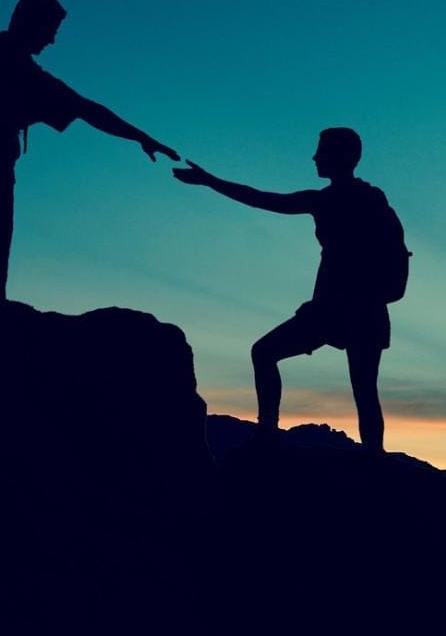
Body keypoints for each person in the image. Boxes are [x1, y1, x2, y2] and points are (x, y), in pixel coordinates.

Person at [0, 0, 180, 301]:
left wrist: (141, 137)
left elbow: (88, 110)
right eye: (50, 30)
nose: (52, 41)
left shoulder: (29, 77)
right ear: (28, 22)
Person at [174, 127, 407, 453]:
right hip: (363, 309)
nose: (314, 157)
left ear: (341, 156)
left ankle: (268, 431)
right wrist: (210, 181)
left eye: (322, 150)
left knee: (265, 353)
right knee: (365, 390)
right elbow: (265, 200)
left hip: (334, 308)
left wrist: (210, 181)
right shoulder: (370, 200)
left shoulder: (327, 201)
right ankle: (374, 459)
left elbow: (263, 200)